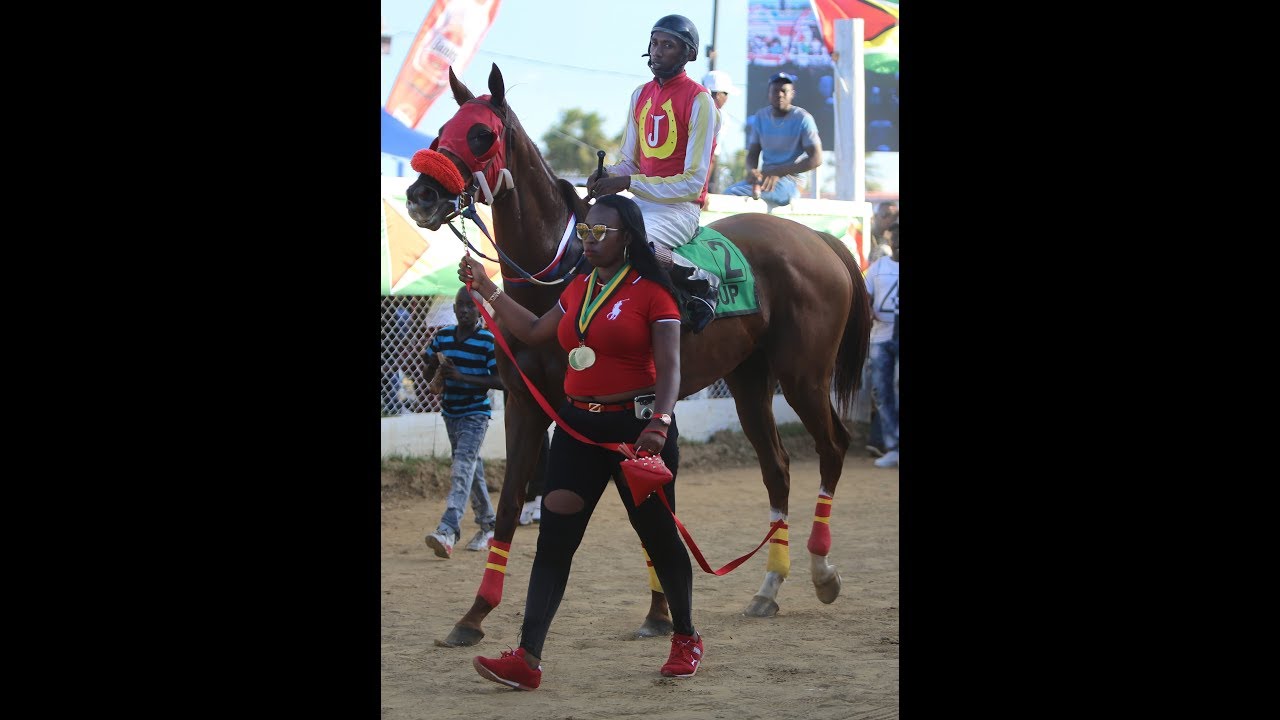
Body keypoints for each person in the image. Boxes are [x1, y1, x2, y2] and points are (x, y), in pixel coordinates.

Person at [461, 194, 703, 690]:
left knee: (658, 537)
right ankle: (527, 659)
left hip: (638, 433)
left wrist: (660, 420)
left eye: (601, 233)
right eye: (585, 233)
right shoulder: (577, 287)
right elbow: (530, 330)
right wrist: (486, 287)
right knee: (554, 541)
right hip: (577, 430)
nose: (589, 241)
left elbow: (672, 367)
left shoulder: (654, 294)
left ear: (628, 237)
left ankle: (686, 637)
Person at [589, 14, 722, 333]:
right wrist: (606, 177)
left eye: (668, 45)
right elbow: (629, 164)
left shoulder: (701, 100)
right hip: (639, 204)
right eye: (654, 43)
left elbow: (692, 183)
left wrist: (628, 182)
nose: (657, 51)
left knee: (629, 242)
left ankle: (701, 282)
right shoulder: (639, 95)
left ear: (689, 54)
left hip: (680, 210)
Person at [423, 286, 506, 558]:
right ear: (455, 308)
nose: (465, 310)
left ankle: (448, 531)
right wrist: (436, 369)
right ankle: (489, 525)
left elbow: (500, 382)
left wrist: (461, 377)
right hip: (451, 413)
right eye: (461, 305)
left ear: (481, 309)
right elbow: (427, 370)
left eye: (472, 306)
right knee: (471, 470)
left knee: (461, 468)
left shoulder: (486, 340)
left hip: (475, 414)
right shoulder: (443, 336)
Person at [722, 72, 824, 209]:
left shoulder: (803, 118)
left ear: (792, 94)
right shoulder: (761, 116)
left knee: (737, 195)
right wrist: (752, 170)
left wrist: (779, 172)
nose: (780, 94)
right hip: (766, 178)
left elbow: (816, 159)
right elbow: (752, 153)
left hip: (791, 181)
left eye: (784, 91)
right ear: (769, 94)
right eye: (775, 91)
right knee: (727, 194)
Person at [864, 222, 899, 469]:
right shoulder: (877, 268)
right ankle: (892, 447)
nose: (897, 242)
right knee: (884, 393)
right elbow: (865, 298)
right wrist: (868, 312)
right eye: (895, 237)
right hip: (881, 339)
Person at [700, 69, 736, 198]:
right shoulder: (719, 116)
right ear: (718, 94)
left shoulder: (689, 106)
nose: (727, 98)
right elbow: (710, 158)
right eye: (725, 93)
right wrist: (702, 191)